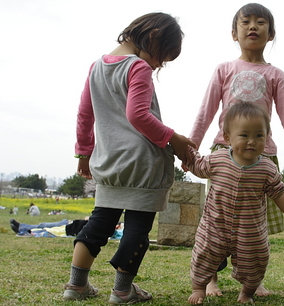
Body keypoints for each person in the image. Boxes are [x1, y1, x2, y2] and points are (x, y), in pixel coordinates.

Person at [63, 12, 196, 304]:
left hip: (109, 163)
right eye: (162, 57)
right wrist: (174, 138)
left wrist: (84, 152)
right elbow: (138, 115)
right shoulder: (138, 67)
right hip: (142, 164)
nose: (158, 64)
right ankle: (123, 291)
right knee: (137, 228)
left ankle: (76, 285)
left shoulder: (96, 67)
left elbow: (85, 115)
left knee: (98, 223)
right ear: (152, 38)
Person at [187, 3, 284, 297]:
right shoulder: (224, 69)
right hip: (224, 154)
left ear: (271, 34)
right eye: (246, 22)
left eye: (260, 23)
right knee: (217, 220)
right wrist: (189, 149)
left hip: (262, 155)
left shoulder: (276, 75)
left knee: (255, 224)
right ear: (234, 33)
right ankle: (210, 279)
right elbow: (205, 112)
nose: (253, 27)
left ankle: (253, 280)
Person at [186, 102, 284, 304]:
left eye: (259, 135)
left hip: (250, 230)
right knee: (205, 254)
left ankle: (247, 291)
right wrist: (183, 150)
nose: (252, 141)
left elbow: (279, 192)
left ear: (266, 138)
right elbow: (197, 165)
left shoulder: (266, 168)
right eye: (244, 135)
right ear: (227, 138)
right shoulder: (217, 160)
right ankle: (199, 288)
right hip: (215, 225)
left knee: (256, 260)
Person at [10, 218, 89, 236]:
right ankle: (22, 227)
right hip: (73, 223)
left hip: (73, 226)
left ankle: (22, 228)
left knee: (45, 227)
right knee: (44, 225)